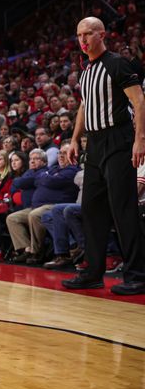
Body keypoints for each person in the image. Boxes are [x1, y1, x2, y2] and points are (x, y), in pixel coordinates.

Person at [63, 16, 145, 294]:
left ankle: (137, 274)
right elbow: (84, 108)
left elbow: (138, 101)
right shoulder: (86, 72)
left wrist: (139, 139)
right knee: (92, 209)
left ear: (102, 35)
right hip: (94, 144)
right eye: (79, 35)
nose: (82, 40)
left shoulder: (118, 63)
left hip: (119, 139)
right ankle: (94, 272)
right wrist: (75, 139)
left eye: (88, 34)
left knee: (124, 208)